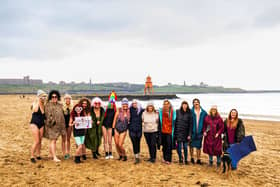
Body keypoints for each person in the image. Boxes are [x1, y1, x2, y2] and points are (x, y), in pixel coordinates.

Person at [44, 90, 66, 162]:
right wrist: (52, 122)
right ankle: (54, 157)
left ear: (58, 97)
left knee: (54, 141)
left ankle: (51, 154)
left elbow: (64, 114)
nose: (54, 98)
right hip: (52, 126)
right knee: (53, 141)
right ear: (50, 97)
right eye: (52, 97)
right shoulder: (48, 105)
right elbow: (47, 116)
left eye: (55, 97)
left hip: (60, 126)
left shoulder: (60, 105)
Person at [29, 90, 47, 163]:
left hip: (42, 124)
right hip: (34, 123)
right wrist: (39, 101)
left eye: (45, 96)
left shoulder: (44, 105)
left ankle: (38, 155)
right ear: (39, 97)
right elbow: (35, 110)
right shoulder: (35, 104)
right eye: (43, 96)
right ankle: (32, 156)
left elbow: (44, 113)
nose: (44, 98)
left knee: (40, 141)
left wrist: (42, 102)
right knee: (36, 141)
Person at [190, 98, 207, 165]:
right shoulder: (190, 111)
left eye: (197, 102)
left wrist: (205, 131)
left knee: (198, 146)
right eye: (194, 102)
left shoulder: (204, 112)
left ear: (199, 103)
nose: (196, 103)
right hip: (192, 131)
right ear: (193, 103)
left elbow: (207, 122)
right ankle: (191, 158)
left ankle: (198, 159)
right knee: (191, 145)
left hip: (200, 132)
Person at [158, 99, 176, 164]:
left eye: (167, 104)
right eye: (164, 104)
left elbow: (175, 121)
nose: (166, 105)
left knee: (169, 146)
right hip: (162, 131)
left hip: (170, 131)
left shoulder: (173, 112)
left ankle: (169, 159)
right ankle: (164, 158)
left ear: (169, 105)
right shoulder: (160, 111)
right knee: (164, 145)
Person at [129, 99, 144, 164]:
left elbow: (150, 110)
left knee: (138, 142)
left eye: (136, 103)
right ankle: (136, 156)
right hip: (131, 129)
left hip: (139, 129)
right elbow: (122, 109)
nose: (134, 104)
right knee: (134, 142)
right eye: (133, 103)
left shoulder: (141, 110)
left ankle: (138, 155)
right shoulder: (130, 110)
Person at [62, 94, 73, 160]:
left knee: (68, 139)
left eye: (69, 98)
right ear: (64, 100)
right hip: (63, 124)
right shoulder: (62, 107)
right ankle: (64, 153)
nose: (67, 100)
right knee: (63, 139)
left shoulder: (72, 107)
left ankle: (68, 152)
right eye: (66, 98)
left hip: (69, 125)